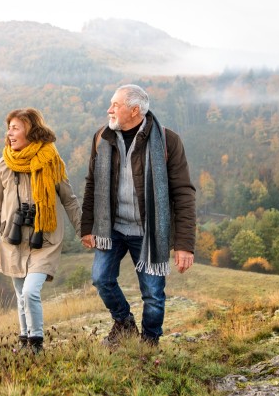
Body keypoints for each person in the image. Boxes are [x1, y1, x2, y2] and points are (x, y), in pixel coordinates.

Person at [81, 84, 196, 347]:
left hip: (149, 231)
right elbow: (92, 183)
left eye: (115, 105)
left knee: (153, 295)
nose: (109, 110)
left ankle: (149, 343)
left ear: (134, 111)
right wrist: (87, 226)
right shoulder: (102, 137)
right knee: (101, 278)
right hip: (113, 227)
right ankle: (124, 323)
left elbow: (184, 193)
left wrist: (184, 245)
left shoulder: (168, 141)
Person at [0, 108, 82, 353]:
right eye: (9, 128)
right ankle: (25, 340)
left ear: (30, 131)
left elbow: (69, 200)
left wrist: (84, 231)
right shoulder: (2, 166)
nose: (9, 133)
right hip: (13, 239)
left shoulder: (51, 163)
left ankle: (36, 344)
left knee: (30, 292)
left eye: (15, 128)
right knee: (20, 295)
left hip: (45, 239)